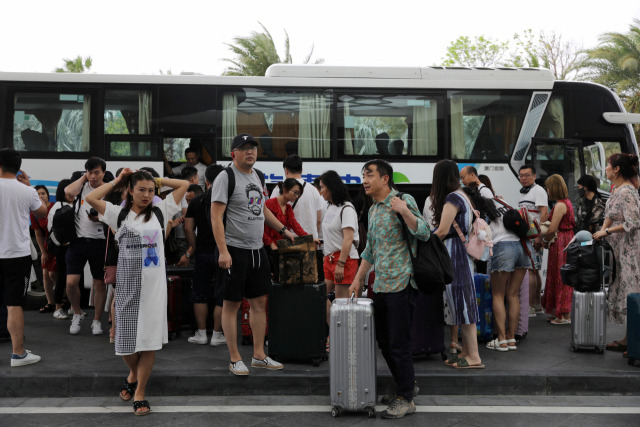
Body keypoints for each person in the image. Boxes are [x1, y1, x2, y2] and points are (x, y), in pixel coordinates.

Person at [85, 168, 188, 416]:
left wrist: (159, 181)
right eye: (141, 189)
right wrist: (117, 181)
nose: (146, 194)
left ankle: (140, 392)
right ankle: (132, 373)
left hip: (154, 290)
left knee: (150, 343)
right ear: (130, 191)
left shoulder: (161, 212)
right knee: (126, 346)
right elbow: (91, 198)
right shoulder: (117, 214)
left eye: (151, 191)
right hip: (128, 290)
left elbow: (184, 184)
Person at [348, 159, 428, 419]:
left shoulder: (402, 201)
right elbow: (369, 249)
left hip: (402, 282)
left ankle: (406, 398)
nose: (364, 180)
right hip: (380, 284)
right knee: (384, 341)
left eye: (369, 175)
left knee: (399, 343)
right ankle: (406, 385)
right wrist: (359, 278)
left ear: (385, 178)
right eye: (363, 176)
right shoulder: (372, 209)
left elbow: (425, 232)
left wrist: (404, 211)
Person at [211, 133, 296, 376]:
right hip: (234, 250)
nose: (250, 152)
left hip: (257, 249)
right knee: (232, 304)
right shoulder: (225, 177)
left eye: (253, 148)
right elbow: (215, 217)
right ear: (233, 153)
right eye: (244, 148)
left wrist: (283, 230)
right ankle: (235, 358)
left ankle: (259, 355)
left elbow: (262, 211)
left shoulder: (258, 176)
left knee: (259, 303)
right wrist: (223, 251)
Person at [429, 160, 483, 370]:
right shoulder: (462, 195)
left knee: (462, 302)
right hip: (460, 252)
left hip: (455, 253)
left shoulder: (452, 198)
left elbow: (442, 230)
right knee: (462, 302)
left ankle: (474, 356)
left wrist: (424, 240)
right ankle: (467, 352)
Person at [468, 189, 533, 351]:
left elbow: (482, 235)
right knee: (513, 294)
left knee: (498, 294)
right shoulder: (503, 203)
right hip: (523, 247)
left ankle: (501, 339)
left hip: (503, 248)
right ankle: (511, 338)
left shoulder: (480, 212)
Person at [0, 148, 47, 366]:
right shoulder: (26, 191)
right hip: (16, 255)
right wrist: (29, 187)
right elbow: (42, 213)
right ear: (18, 167)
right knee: (14, 304)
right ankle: (18, 354)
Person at [593, 153, 640, 353]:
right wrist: (603, 231)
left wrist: (607, 231)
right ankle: (628, 339)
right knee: (625, 293)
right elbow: (610, 216)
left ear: (617, 169)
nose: (606, 169)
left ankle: (635, 342)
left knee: (632, 293)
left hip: (630, 250)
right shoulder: (617, 190)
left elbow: (634, 222)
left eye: (608, 166)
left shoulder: (627, 191)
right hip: (618, 250)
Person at [64, 157, 109, 336]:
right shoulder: (83, 186)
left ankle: (97, 320)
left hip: (100, 241)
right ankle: (77, 312)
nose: (93, 176)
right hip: (78, 241)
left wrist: (99, 218)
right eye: (90, 172)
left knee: (99, 283)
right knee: (71, 282)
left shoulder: (109, 190)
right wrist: (83, 178)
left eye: (97, 172)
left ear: (104, 173)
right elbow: (68, 192)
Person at [184, 164, 227, 347]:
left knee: (199, 292)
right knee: (222, 294)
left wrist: (194, 247)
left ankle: (201, 334)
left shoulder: (196, 201)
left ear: (206, 181)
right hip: (224, 253)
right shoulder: (228, 201)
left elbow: (188, 228)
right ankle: (217, 334)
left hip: (202, 252)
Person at [319, 171, 359, 302]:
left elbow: (348, 239)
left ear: (331, 187)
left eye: (322, 187)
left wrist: (341, 264)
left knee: (342, 303)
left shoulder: (347, 208)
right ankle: (331, 323)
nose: (320, 191)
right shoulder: (331, 207)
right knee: (319, 297)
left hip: (344, 259)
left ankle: (336, 323)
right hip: (329, 259)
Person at [541, 174, 575, 325]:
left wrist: (544, 240)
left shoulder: (560, 205)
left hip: (561, 242)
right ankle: (559, 312)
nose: (547, 191)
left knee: (560, 277)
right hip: (566, 240)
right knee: (560, 276)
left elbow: (552, 229)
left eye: (548, 188)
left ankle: (563, 315)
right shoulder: (566, 203)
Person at [518, 165, 549, 317]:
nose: (523, 178)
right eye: (521, 176)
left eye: (527, 175)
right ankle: (537, 304)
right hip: (527, 236)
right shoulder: (524, 193)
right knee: (534, 270)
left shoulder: (538, 191)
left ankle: (529, 306)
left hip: (534, 236)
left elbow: (544, 213)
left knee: (530, 270)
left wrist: (538, 236)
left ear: (534, 176)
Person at [270, 154, 324, 239]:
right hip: (310, 240)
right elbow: (319, 220)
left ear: (286, 170)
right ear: (301, 171)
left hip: (288, 241)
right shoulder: (314, 190)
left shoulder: (279, 189)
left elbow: (270, 216)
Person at [263, 178, 309, 280]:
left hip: (281, 248)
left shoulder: (288, 208)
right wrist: (270, 243)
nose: (296, 196)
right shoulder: (269, 204)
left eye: (299, 194)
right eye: (295, 192)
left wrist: (309, 238)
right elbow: (261, 228)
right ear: (285, 190)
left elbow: (295, 226)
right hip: (268, 248)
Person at [48, 179, 74, 320]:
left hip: (71, 247)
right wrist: (61, 244)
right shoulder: (57, 207)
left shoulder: (73, 205)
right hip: (62, 248)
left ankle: (72, 307)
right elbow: (51, 230)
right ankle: (58, 307)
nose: (72, 193)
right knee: (62, 277)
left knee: (73, 278)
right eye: (68, 191)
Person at [31, 185, 57, 314]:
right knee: (45, 274)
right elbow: (38, 233)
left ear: (48, 195)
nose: (41, 196)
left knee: (56, 274)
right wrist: (43, 252)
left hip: (58, 245)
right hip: (47, 246)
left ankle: (63, 300)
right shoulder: (34, 212)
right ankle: (50, 303)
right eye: (37, 194)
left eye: (43, 193)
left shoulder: (55, 207)